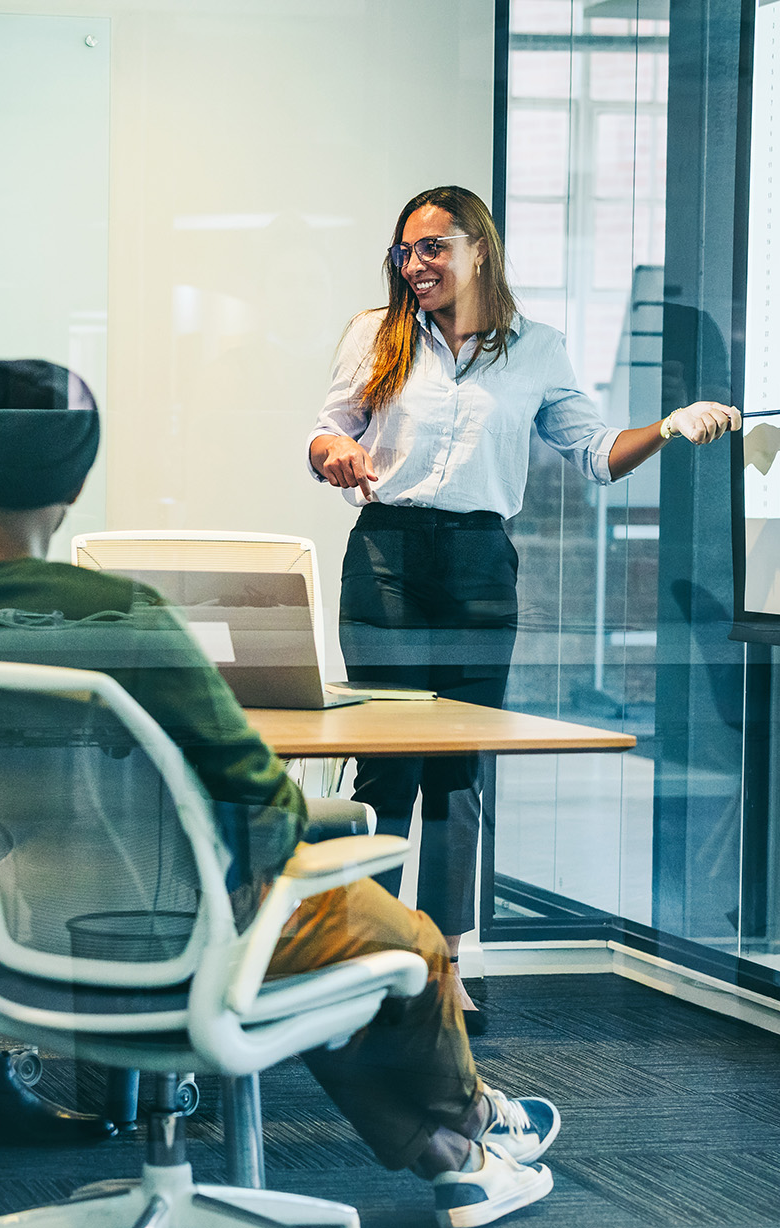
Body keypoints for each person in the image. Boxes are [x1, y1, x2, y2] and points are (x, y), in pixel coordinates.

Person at [0, 358, 560, 1228]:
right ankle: (469, 1135)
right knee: (402, 943)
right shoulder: (120, 620)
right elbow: (270, 808)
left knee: (320, 937)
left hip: (22, 950)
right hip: (179, 944)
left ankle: (463, 1149)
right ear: (69, 491)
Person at [308, 184, 740, 1026]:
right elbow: (328, 428)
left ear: (478, 249)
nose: (415, 264)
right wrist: (336, 454)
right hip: (386, 556)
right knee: (385, 763)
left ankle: (443, 962)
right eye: (405, 250)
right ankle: (371, 958)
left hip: (478, 566)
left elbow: (593, 454)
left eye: (432, 247)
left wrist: (671, 426)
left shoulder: (536, 350)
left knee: (461, 767)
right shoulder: (378, 332)